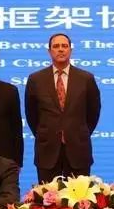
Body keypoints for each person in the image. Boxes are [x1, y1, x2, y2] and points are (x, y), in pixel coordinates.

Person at [24, 33, 101, 183]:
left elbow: (93, 112)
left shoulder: (86, 78)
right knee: (47, 195)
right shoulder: (36, 79)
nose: (60, 49)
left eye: (64, 46)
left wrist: (76, 132)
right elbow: (31, 114)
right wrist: (46, 133)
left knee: (80, 196)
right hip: (47, 150)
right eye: (56, 46)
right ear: (49, 51)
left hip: (78, 149)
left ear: (70, 50)